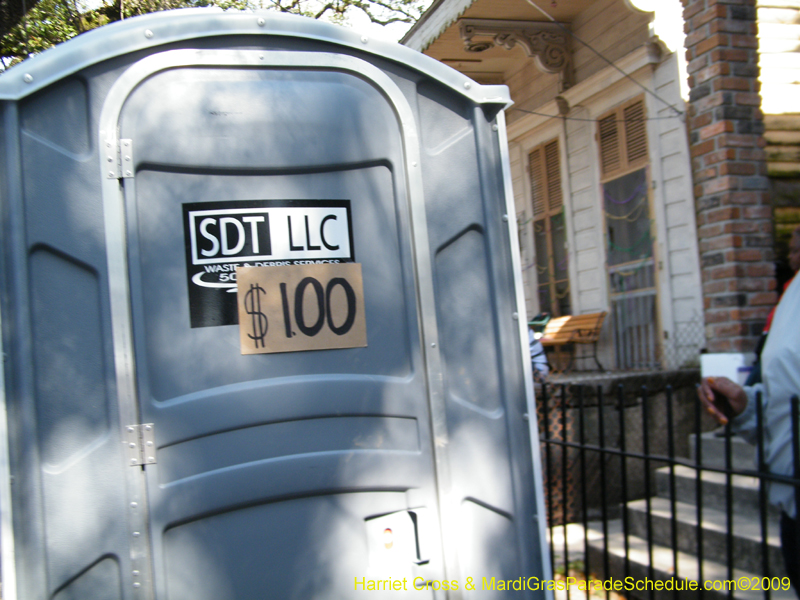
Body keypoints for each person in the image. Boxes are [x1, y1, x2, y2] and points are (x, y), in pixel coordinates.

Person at [698, 226, 800, 591]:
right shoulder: (793, 295)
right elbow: (783, 393)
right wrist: (745, 406)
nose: (793, 255)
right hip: (792, 501)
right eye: (793, 249)